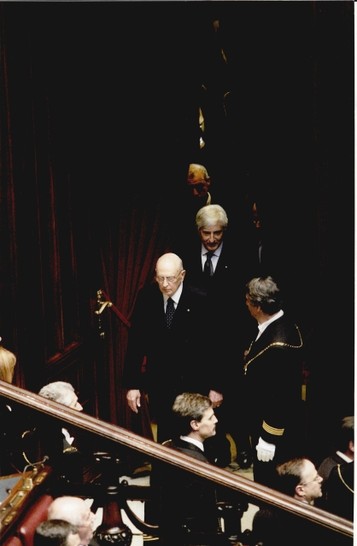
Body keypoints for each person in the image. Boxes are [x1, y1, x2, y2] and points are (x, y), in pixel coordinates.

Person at [175, 204, 252, 468]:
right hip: (197, 341)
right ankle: (215, 452)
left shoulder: (240, 256)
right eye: (206, 233)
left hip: (231, 340)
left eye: (217, 233)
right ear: (198, 231)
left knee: (234, 401)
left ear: (224, 231)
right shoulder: (185, 254)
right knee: (205, 399)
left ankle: (243, 447)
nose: (211, 239)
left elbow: (246, 306)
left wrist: (246, 343)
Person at [123, 252, 218, 446]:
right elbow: (136, 342)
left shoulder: (201, 298)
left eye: (170, 278)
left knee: (195, 438)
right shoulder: (147, 296)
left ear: (182, 275)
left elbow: (216, 347)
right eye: (160, 278)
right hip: (161, 384)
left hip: (194, 384)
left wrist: (217, 386)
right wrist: (133, 384)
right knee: (166, 439)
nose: (165, 284)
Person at [242, 275, 306, 487]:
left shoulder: (278, 347)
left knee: (271, 486)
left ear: (258, 307)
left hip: (272, 433)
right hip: (271, 425)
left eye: (248, 301)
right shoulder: (281, 323)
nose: (246, 304)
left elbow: (280, 396)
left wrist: (268, 438)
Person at [156, 392, 231, 546]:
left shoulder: (166, 447)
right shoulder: (199, 465)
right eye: (210, 418)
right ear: (195, 425)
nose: (216, 420)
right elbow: (206, 519)